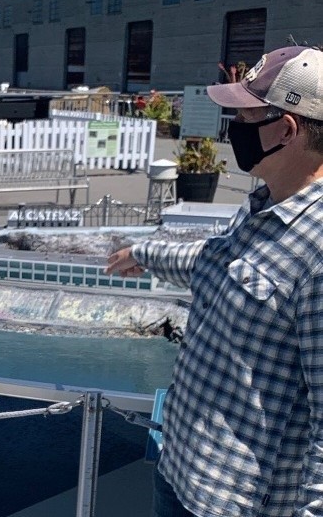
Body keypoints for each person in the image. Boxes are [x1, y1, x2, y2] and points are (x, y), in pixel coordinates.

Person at [106, 45, 323, 517]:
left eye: (245, 118)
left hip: (234, 505)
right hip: (181, 470)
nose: (234, 131)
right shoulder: (264, 204)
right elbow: (220, 262)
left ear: (286, 130)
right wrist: (143, 253)